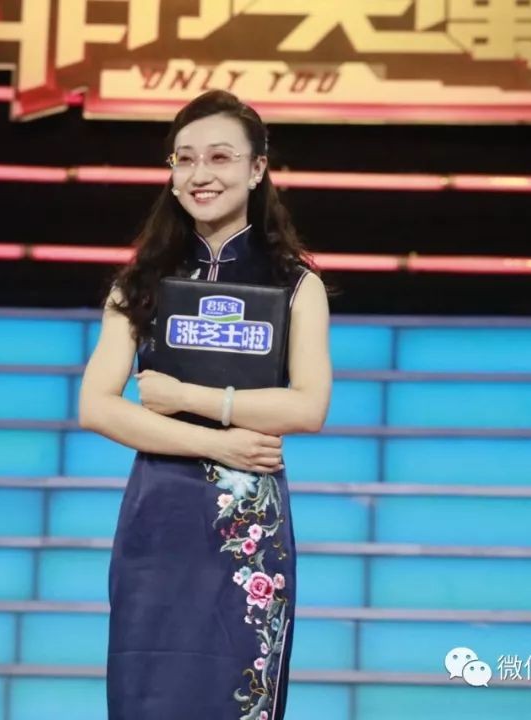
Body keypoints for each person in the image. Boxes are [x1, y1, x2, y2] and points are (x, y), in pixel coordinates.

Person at [78, 89, 332, 720]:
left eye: (220, 157)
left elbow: (307, 408)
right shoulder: (139, 283)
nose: (200, 174)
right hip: (159, 516)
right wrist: (219, 442)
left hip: (249, 526)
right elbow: (97, 406)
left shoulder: (296, 285)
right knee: (147, 691)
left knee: (235, 691)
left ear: (257, 168)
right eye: (184, 159)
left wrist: (186, 397)